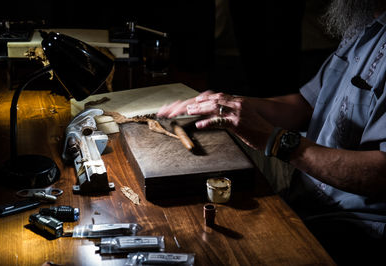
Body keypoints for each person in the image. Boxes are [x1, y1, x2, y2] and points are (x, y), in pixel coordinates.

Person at [157, 1, 386, 265]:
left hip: (354, 228)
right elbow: (305, 104)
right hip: (306, 192)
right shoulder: (364, 24)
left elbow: (380, 175)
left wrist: (275, 141)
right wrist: (227, 104)